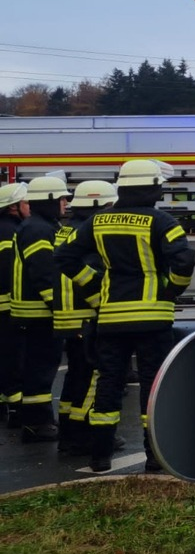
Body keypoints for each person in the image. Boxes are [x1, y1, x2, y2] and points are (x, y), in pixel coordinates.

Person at [56, 159, 195, 473]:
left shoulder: (97, 221)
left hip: (111, 317)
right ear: (150, 188)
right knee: (152, 388)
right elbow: (184, 262)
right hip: (152, 317)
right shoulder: (163, 223)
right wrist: (171, 290)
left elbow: (65, 256)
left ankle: (100, 456)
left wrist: (93, 284)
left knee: (108, 385)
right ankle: (155, 459)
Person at [53, 180, 117, 455]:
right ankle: (82, 435)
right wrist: (100, 301)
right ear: (97, 206)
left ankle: (68, 431)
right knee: (91, 379)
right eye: (109, 206)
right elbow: (90, 278)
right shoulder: (90, 235)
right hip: (86, 317)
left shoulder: (67, 231)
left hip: (68, 318)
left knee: (76, 378)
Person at [11, 175, 70, 443]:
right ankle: (37, 423)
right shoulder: (37, 229)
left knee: (40, 367)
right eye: (61, 199)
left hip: (35, 313)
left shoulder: (37, 225)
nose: (65, 203)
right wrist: (59, 307)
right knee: (41, 369)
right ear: (48, 201)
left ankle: (38, 421)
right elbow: (44, 273)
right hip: (40, 313)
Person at [0, 182, 29, 429]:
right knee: (13, 358)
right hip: (7, 307)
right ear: (13, 207)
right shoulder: (11, 233)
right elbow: (10, 273)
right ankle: (16, 408)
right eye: (26, 202)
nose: (29, 207)